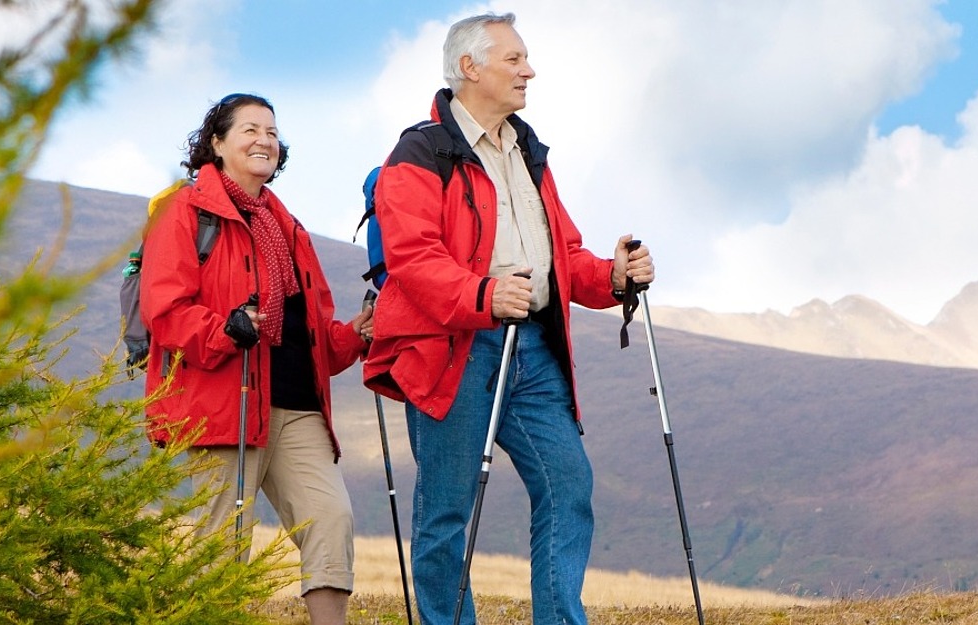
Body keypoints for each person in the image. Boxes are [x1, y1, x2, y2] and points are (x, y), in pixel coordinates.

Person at [362, 12, 655, 625]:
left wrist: (615, 276)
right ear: (470, 68)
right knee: (446, 509)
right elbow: (413, 257)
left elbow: (562, 255)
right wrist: (481, 295)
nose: (530, 70)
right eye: (514, 59)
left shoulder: (528, 150)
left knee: (569, 485)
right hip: (454, 349)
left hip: (533, 352)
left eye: (526, 59)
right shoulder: (419, 151)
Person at [139, 93, 372, 625]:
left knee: (330, 519)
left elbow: (309, 336)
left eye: (271, 131)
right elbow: (165, 311)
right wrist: (227, 328)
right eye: (249, 129)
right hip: (224, 404)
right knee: (221, 547)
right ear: (216, 144)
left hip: (296, 406)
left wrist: (357, 334)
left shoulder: (286, 227)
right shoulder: (185, 213)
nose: (264, 139)